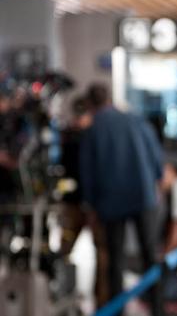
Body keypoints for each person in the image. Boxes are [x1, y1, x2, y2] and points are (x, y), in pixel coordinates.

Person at [79, 83, 163, 316]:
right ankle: (158, 308)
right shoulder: (135, 119)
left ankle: (118, 311)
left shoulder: (93, 129)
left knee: (116, 260)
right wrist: (157, 179)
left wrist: (90, 205)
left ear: (90, 104)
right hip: (143, 195)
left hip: (111, 201)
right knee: (150, 254)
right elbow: (156, 155)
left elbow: (87, 172)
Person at [59, 94, 110, 306]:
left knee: (103, 256)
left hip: (96, 206)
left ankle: (103, 305)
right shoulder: (69, 138)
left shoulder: (97, 135)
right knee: (64, 252)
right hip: (73, 204)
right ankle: (62, 297)